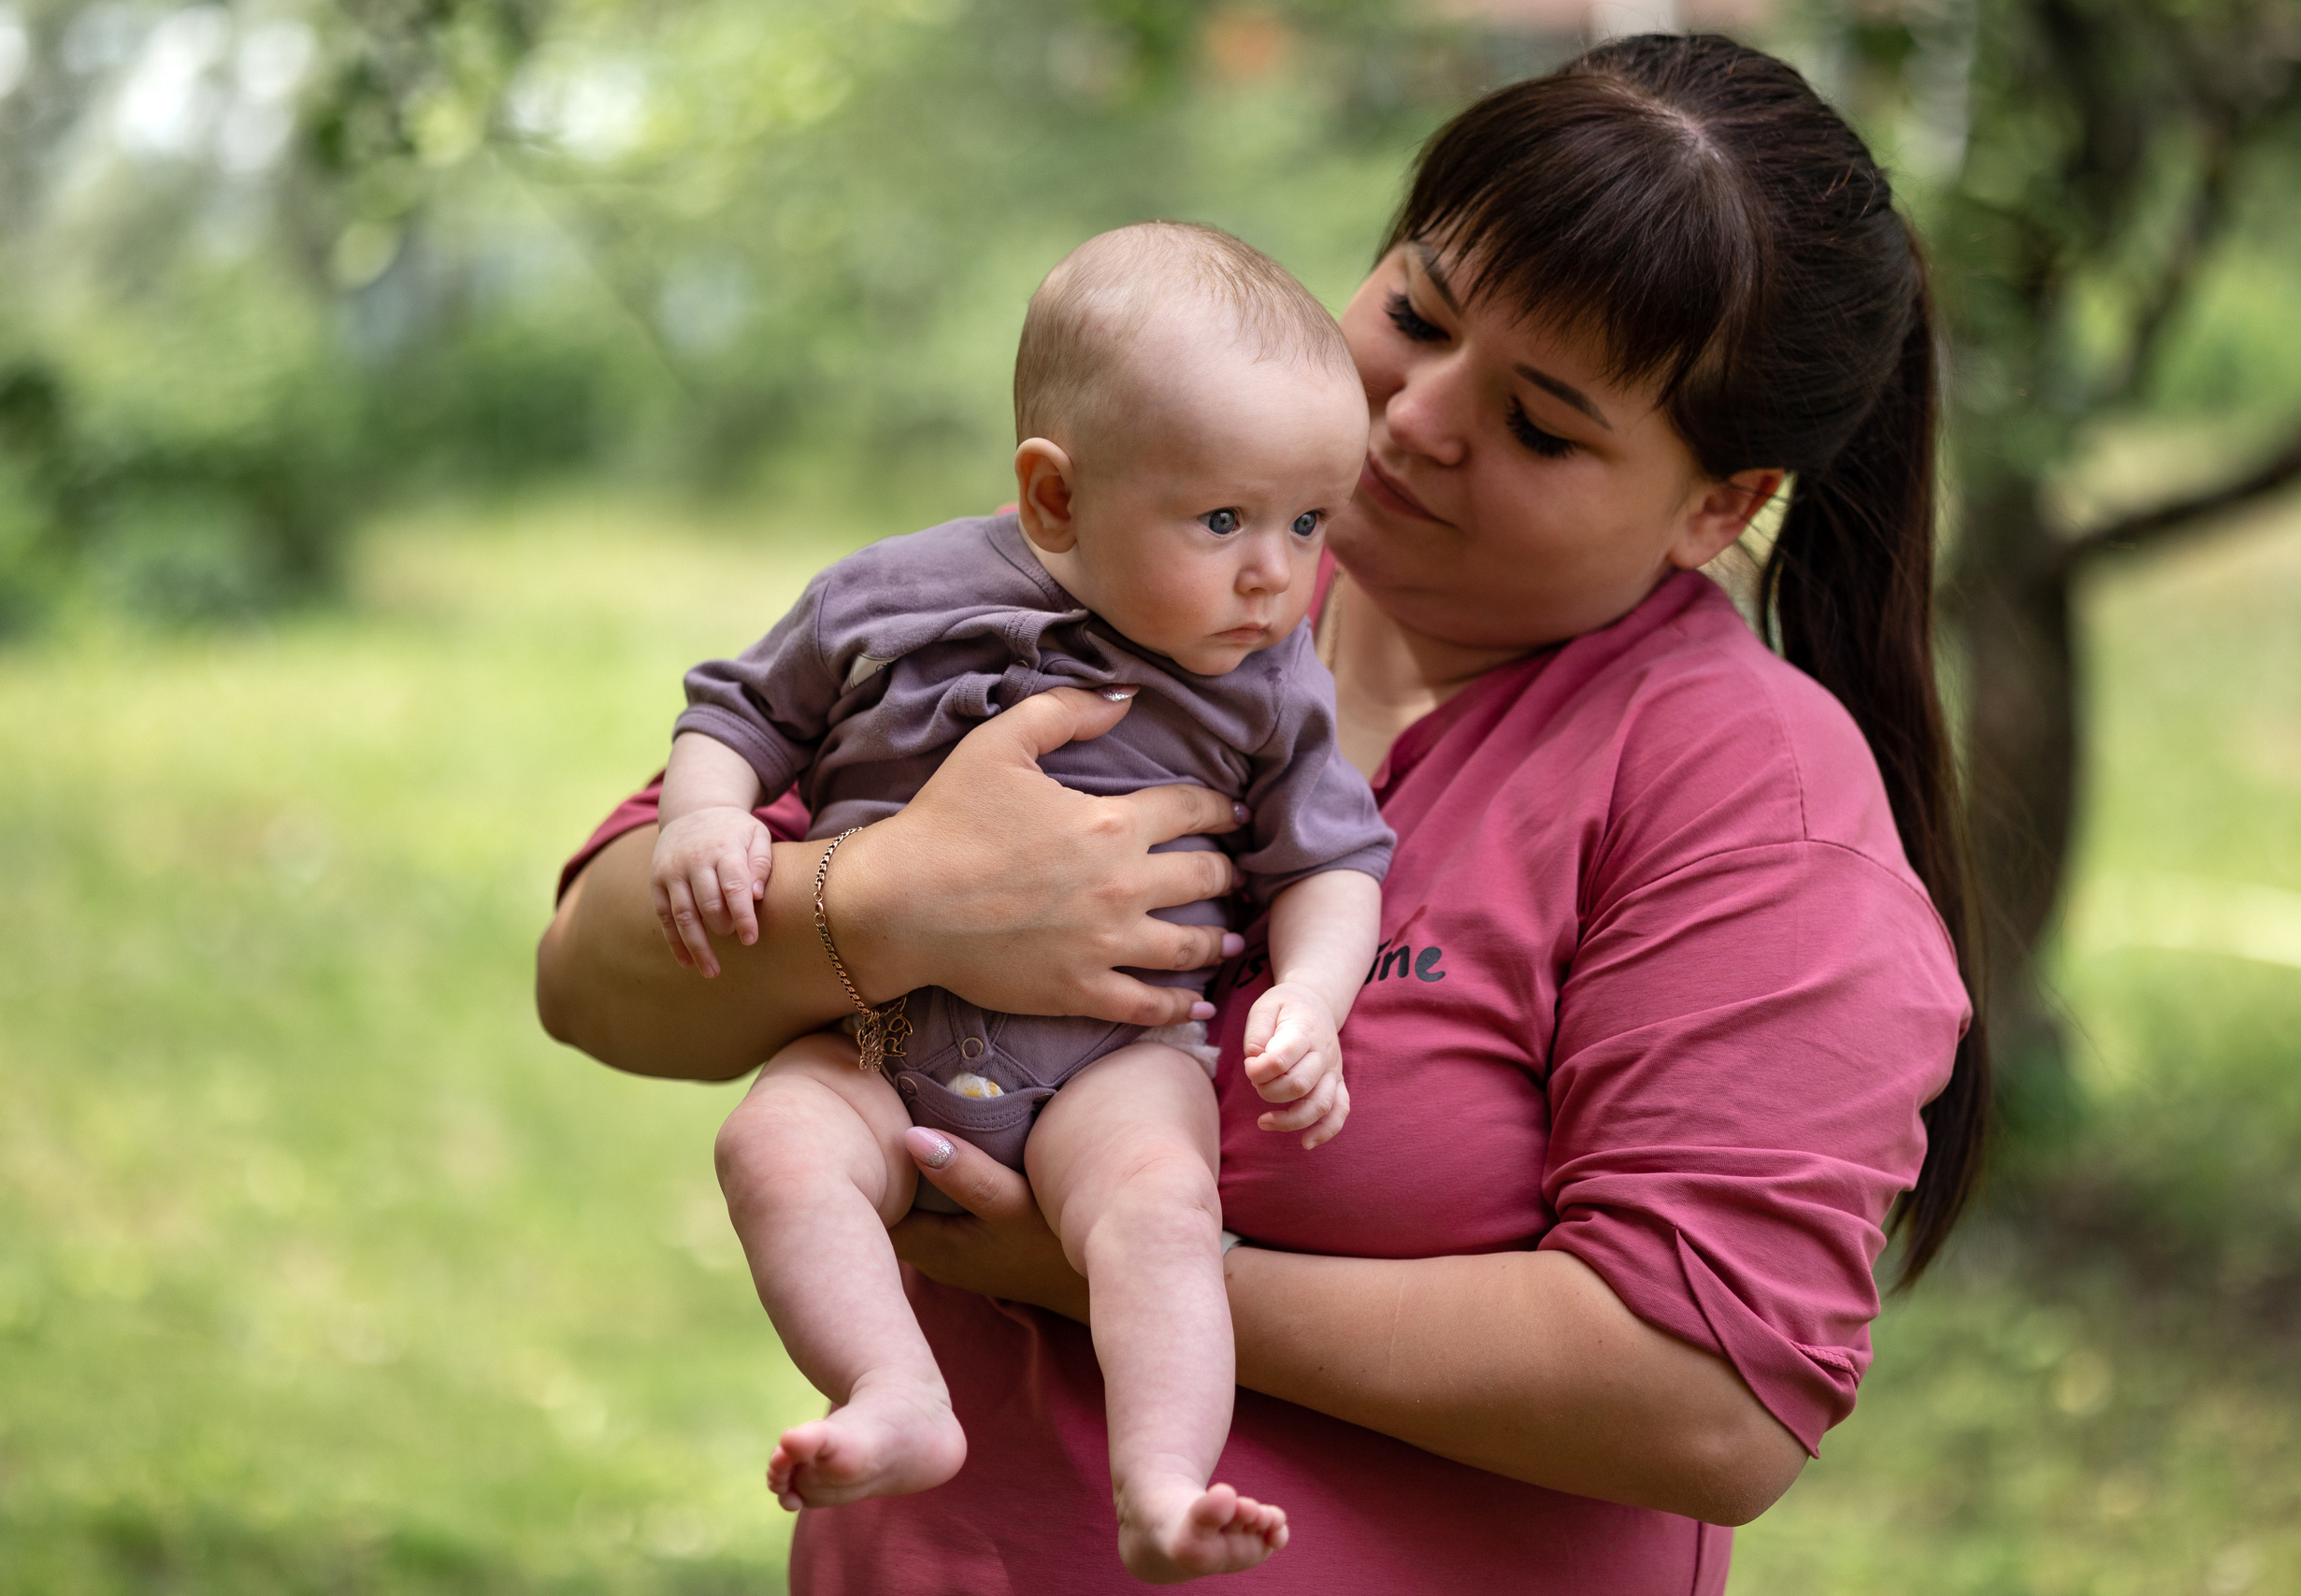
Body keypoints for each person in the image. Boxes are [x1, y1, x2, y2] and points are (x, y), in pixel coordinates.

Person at [537, 33, 1988, 1595]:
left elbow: (1710, 1402)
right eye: (1415, 314)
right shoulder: (1121, 583)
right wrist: (888, 902)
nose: (1417, 416)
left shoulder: (1737, 790)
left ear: (1719, 505)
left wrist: (1127, 1267)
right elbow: (595, 979)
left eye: (1542, 425)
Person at [653, 223, 1393, 1580]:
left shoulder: (1271, 682)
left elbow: (1333, 862)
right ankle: (893, 1391)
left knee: (1160, 1208)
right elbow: (744, 709)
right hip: (872, 1034)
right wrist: (706, 813)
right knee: (776, 1149)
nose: (1275, 574)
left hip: (1114, 1058)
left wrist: (1313, 998)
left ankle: (1164, 1480)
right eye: (1224, 520)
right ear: (1054, 500)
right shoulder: (889, 595)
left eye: (1309, 522)